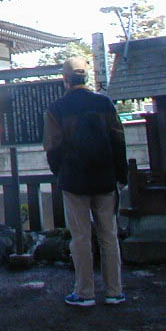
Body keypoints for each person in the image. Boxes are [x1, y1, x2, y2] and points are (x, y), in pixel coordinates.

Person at [44, 56, 128, 307]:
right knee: (109, 236)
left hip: (74, 180)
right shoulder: (104, 103)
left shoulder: (56, 108)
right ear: (86, 77)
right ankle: (114, 291)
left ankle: (84, 292)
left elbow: (52, 146)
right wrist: (120, 175)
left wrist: (60, 172)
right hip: (105, 179)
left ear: (66, 79)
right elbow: (118, 141)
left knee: (80, 237)